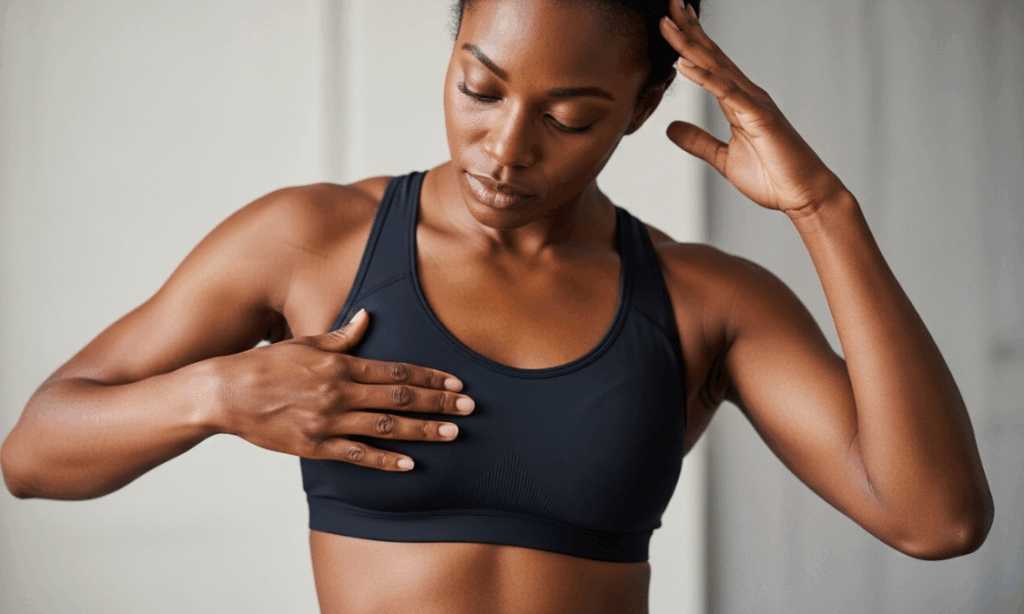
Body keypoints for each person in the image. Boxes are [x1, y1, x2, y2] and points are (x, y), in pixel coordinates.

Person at [0, 0, 995, 612]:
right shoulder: (310, 241)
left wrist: (823, 209)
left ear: (641, 110)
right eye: (479, 88)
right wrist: (219, 392)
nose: (505, 148)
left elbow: (937, 518)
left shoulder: (706, 299)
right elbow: (34, 450)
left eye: (569, 117)